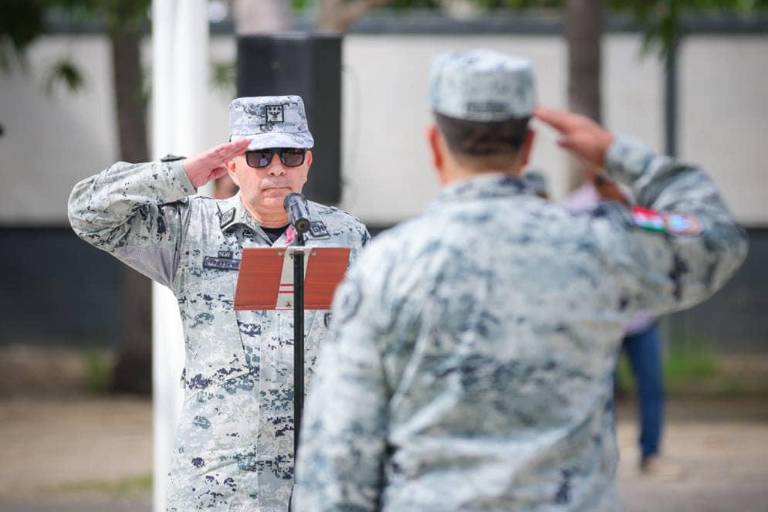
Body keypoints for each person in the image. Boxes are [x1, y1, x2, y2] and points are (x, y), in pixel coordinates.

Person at [294, 49, 747, 511]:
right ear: (530, 146)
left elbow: (339, 454)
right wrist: (618, 155)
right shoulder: (601, 245)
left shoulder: (387, 266)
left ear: (434, 144)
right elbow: (717, 238)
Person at [68, 95, 370, 511]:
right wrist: (180, 174)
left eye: (291, 153)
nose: (277, 167)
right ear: (231, 165)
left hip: (320, 479)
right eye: (260, 156)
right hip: (221, 482)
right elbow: (87, 213)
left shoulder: (345, 235)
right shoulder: (191, 229)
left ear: (308, 163)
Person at [566, 178, 674, 477]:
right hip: (602, 321)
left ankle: (651, 454)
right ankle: (605, 459)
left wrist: (628, 207)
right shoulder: (575, 208)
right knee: (603, 393)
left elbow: (664, 233)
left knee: (651, 386)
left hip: (641, 318)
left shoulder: (634, 201)